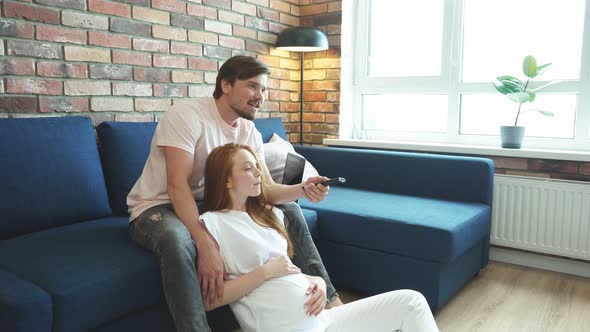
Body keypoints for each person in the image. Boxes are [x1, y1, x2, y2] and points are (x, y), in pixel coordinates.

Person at [127, 55, 342, 331]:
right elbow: (177, 186)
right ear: (226, 85)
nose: (260, 96)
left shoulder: (248, 130)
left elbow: (265, 190)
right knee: (177, 239)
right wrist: (206, 245)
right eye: (252, 87)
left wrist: (303, 188)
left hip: (209, 204)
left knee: (291, 209)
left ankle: (330, 304)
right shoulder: (186, 116)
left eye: (263, 89)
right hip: (157, 206)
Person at [200, 143, 440, 332]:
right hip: (290, 328)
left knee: (412, 302)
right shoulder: (213, 223)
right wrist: (265, 272)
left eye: (256, 165)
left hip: (323, 321)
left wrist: (316, 280)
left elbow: (285, 271)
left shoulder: (270, 215)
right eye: (247, 168)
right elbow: (210, 300)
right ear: (227, 179)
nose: (258, 173)